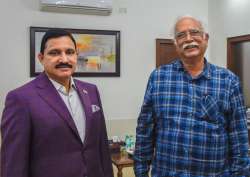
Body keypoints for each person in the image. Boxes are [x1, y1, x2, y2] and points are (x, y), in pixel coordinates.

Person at [134, 15, 250, 176]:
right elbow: (144, 130)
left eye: (194, 32)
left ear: (205, 38)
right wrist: (141, 172)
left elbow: (239, 138)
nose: (188, 39)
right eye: (181, 35)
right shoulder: (158, 78)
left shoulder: (228, 81)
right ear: (175, 43)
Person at [1, 29, 114, 177]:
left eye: (69, 52)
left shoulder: (91, 91)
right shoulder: (21, 99)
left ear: (76, 56)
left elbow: (102, 147)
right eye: (54, 53)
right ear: (41, 58)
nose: (64, 59)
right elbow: (13, 163)